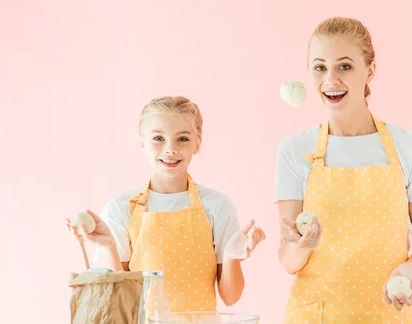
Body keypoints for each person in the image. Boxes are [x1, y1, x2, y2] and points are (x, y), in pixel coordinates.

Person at [275, 17, 412, 324]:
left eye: (344, 66)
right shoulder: (294, 150)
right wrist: (304, 245)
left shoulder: (411, 148)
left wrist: (407, 269)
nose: (330, 80)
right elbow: (288, 260)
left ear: (370, 70)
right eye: (319, 68)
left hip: (391, 323)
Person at [66, 96, 266, 311]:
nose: (170, 149)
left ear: (198, 143)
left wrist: (230, 257)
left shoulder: (217, 206)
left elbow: (231, 296)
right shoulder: (121, 208)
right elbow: (118, 300)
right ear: (142, 142)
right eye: (158, 138)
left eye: (182, 139)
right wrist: (109, 248)